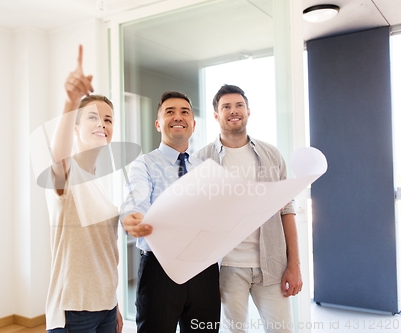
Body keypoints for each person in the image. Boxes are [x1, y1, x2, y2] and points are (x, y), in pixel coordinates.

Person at [194, 84, 302, 333]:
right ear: (216, 115)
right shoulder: (202, 159)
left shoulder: (271, 155)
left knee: (282, 330)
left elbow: (287, 210)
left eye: (239, 105)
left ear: (248, 111)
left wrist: (294, 265)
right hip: (228, 267)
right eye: (226, 107)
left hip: (272, 265)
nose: (234, 111)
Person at [121, 91, 221, 333]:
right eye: (170, 112)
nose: (178, 117)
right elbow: (136, 196)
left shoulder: (206, 169)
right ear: (158, 124)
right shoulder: (143, 164)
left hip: (203, 269)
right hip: (160, 270)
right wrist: (133, 216)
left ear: (193, 124)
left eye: (185, 112)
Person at [44, 45, 123, 333]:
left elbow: (104, 252)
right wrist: (71, 102)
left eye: (108, 119)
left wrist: (114, 303)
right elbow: (58, 156)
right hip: (73, 311)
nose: (102, 123)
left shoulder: (101, 182)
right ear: (74, 128)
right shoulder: (66, 174)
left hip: (105, 307)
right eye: (92, 117)